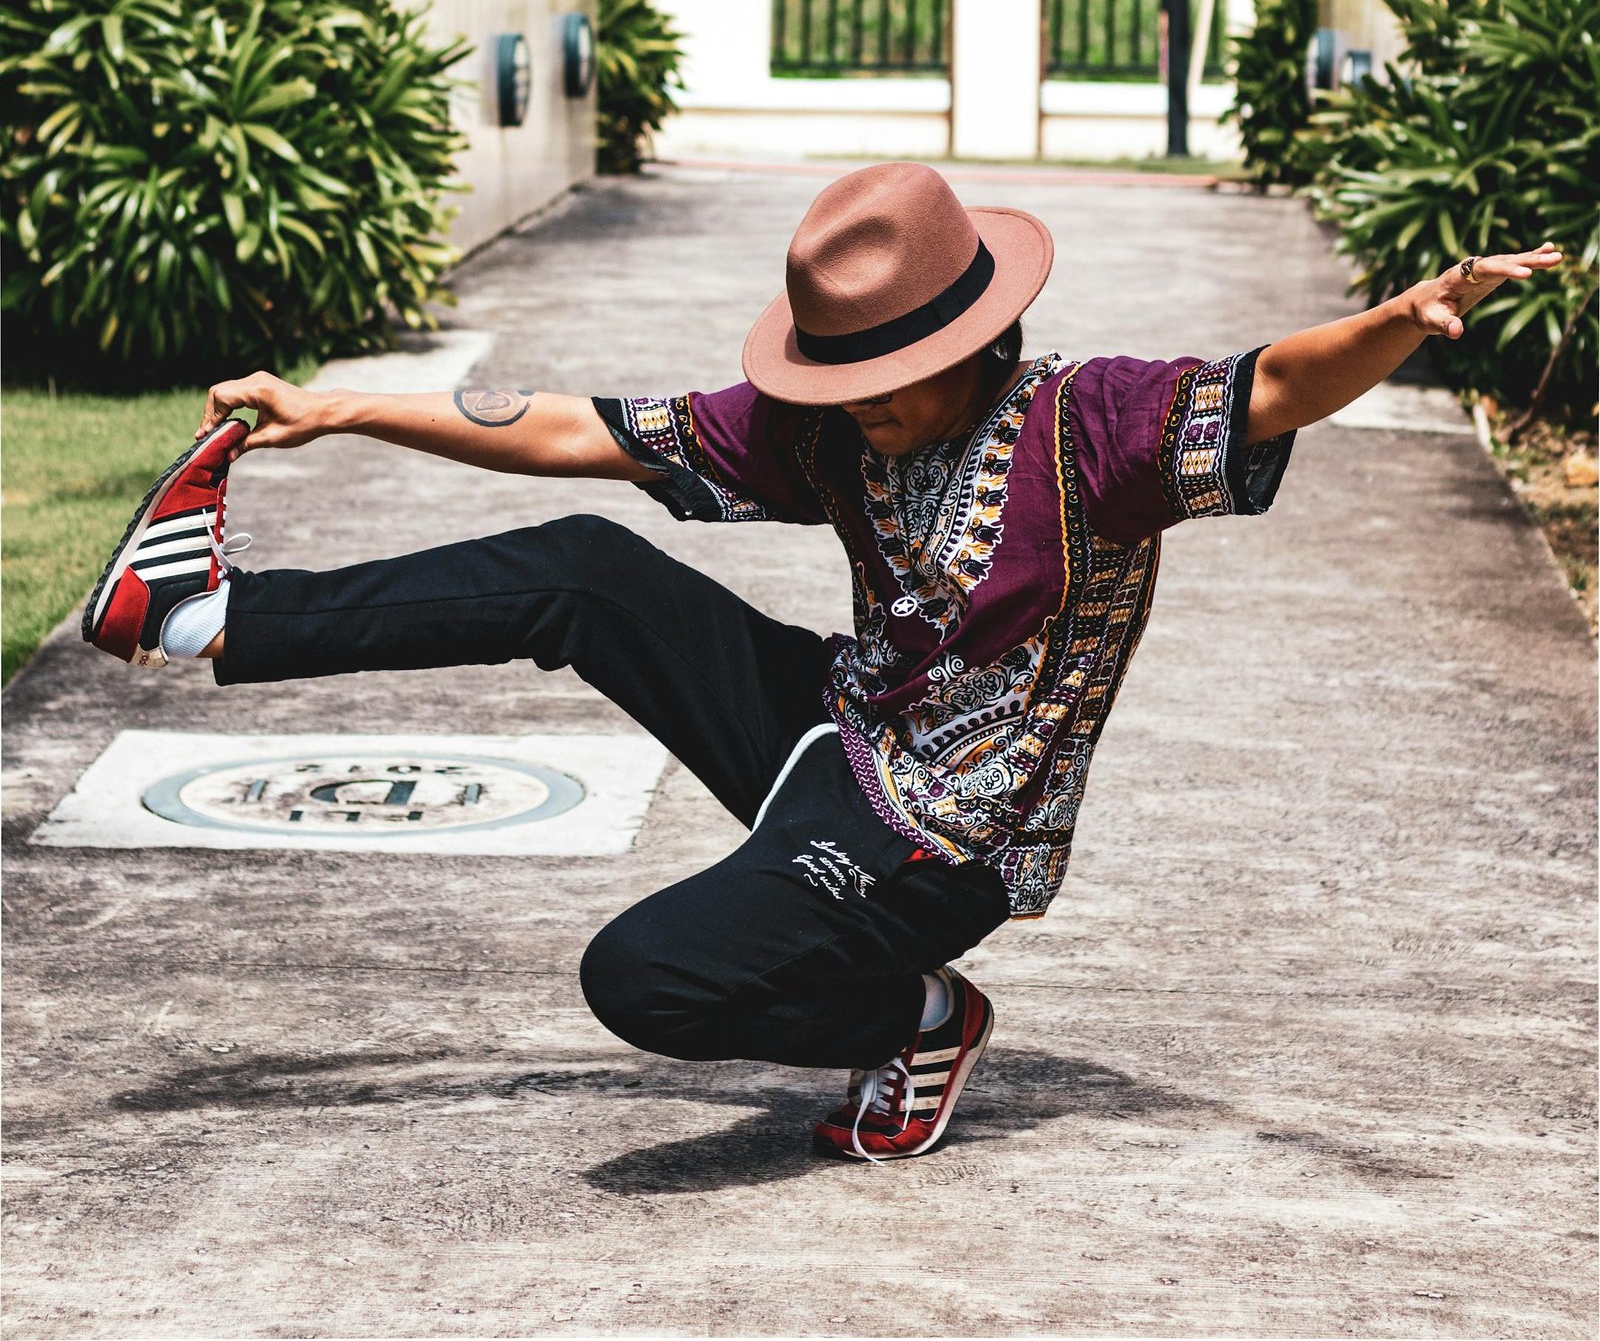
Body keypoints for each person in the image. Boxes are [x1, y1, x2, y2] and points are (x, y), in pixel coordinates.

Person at [82, 162, 1561, 1162]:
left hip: (944, 837)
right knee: (585, 570)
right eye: (832, 379)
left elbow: (1270, 386)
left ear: (975, 338)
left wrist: (1397, 326)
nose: (853, 411)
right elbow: (575, 429)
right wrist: (337, 410)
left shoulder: (1091, 430)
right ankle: (212, 613)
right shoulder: (828, 422)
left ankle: (920, 1016)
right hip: (831, 730)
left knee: (642, 975)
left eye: (880, 383)